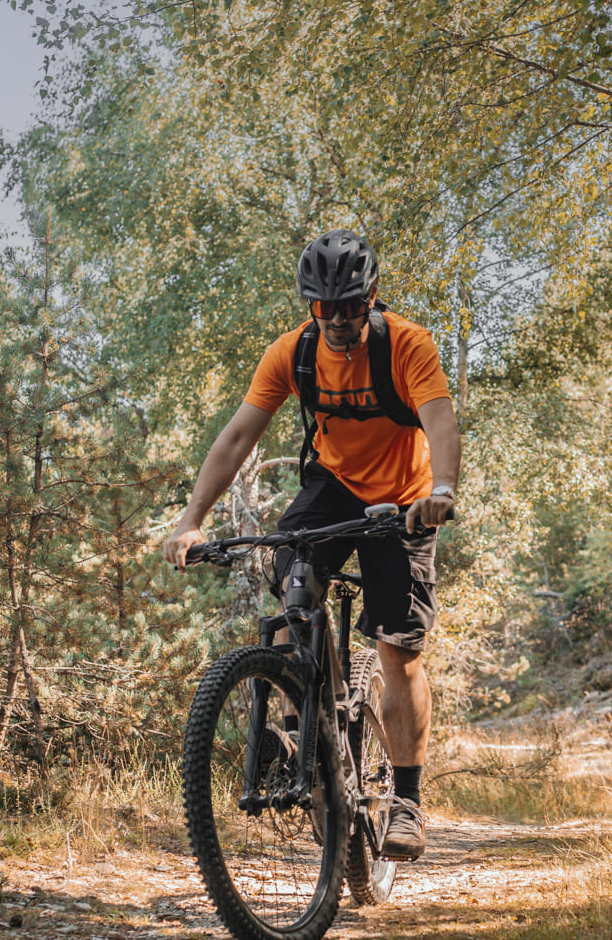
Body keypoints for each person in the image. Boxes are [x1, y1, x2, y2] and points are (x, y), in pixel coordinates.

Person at [162, 230, 460, 861]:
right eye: (327, 310)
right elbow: (237, 436)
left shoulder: (407, 345)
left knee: (396, 650)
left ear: (372, 298)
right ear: (310, 307)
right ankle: (304, 729)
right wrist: (191, 518)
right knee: (290, 572)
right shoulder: (291, 355)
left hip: (403, 501)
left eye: (352, 307)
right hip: (333, 485)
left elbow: (439, 419)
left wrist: (441, 488)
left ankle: (405, 800)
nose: (341, 321)